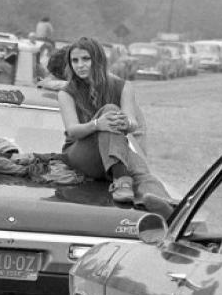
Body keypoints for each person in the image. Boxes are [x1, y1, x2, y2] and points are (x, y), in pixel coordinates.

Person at [57, 37, 173, 217]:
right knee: (110, 110)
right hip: (80, 155)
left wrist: (126, 123)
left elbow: (133, 123)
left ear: (98, 60)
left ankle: (169, 209)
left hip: (113, 151)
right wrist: (97, 125)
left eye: (86, 59)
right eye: (75, 61)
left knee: (142, 172)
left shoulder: (124, 87)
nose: (80, 65)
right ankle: (122, 180)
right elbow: (72, 130)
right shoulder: (66, 93)